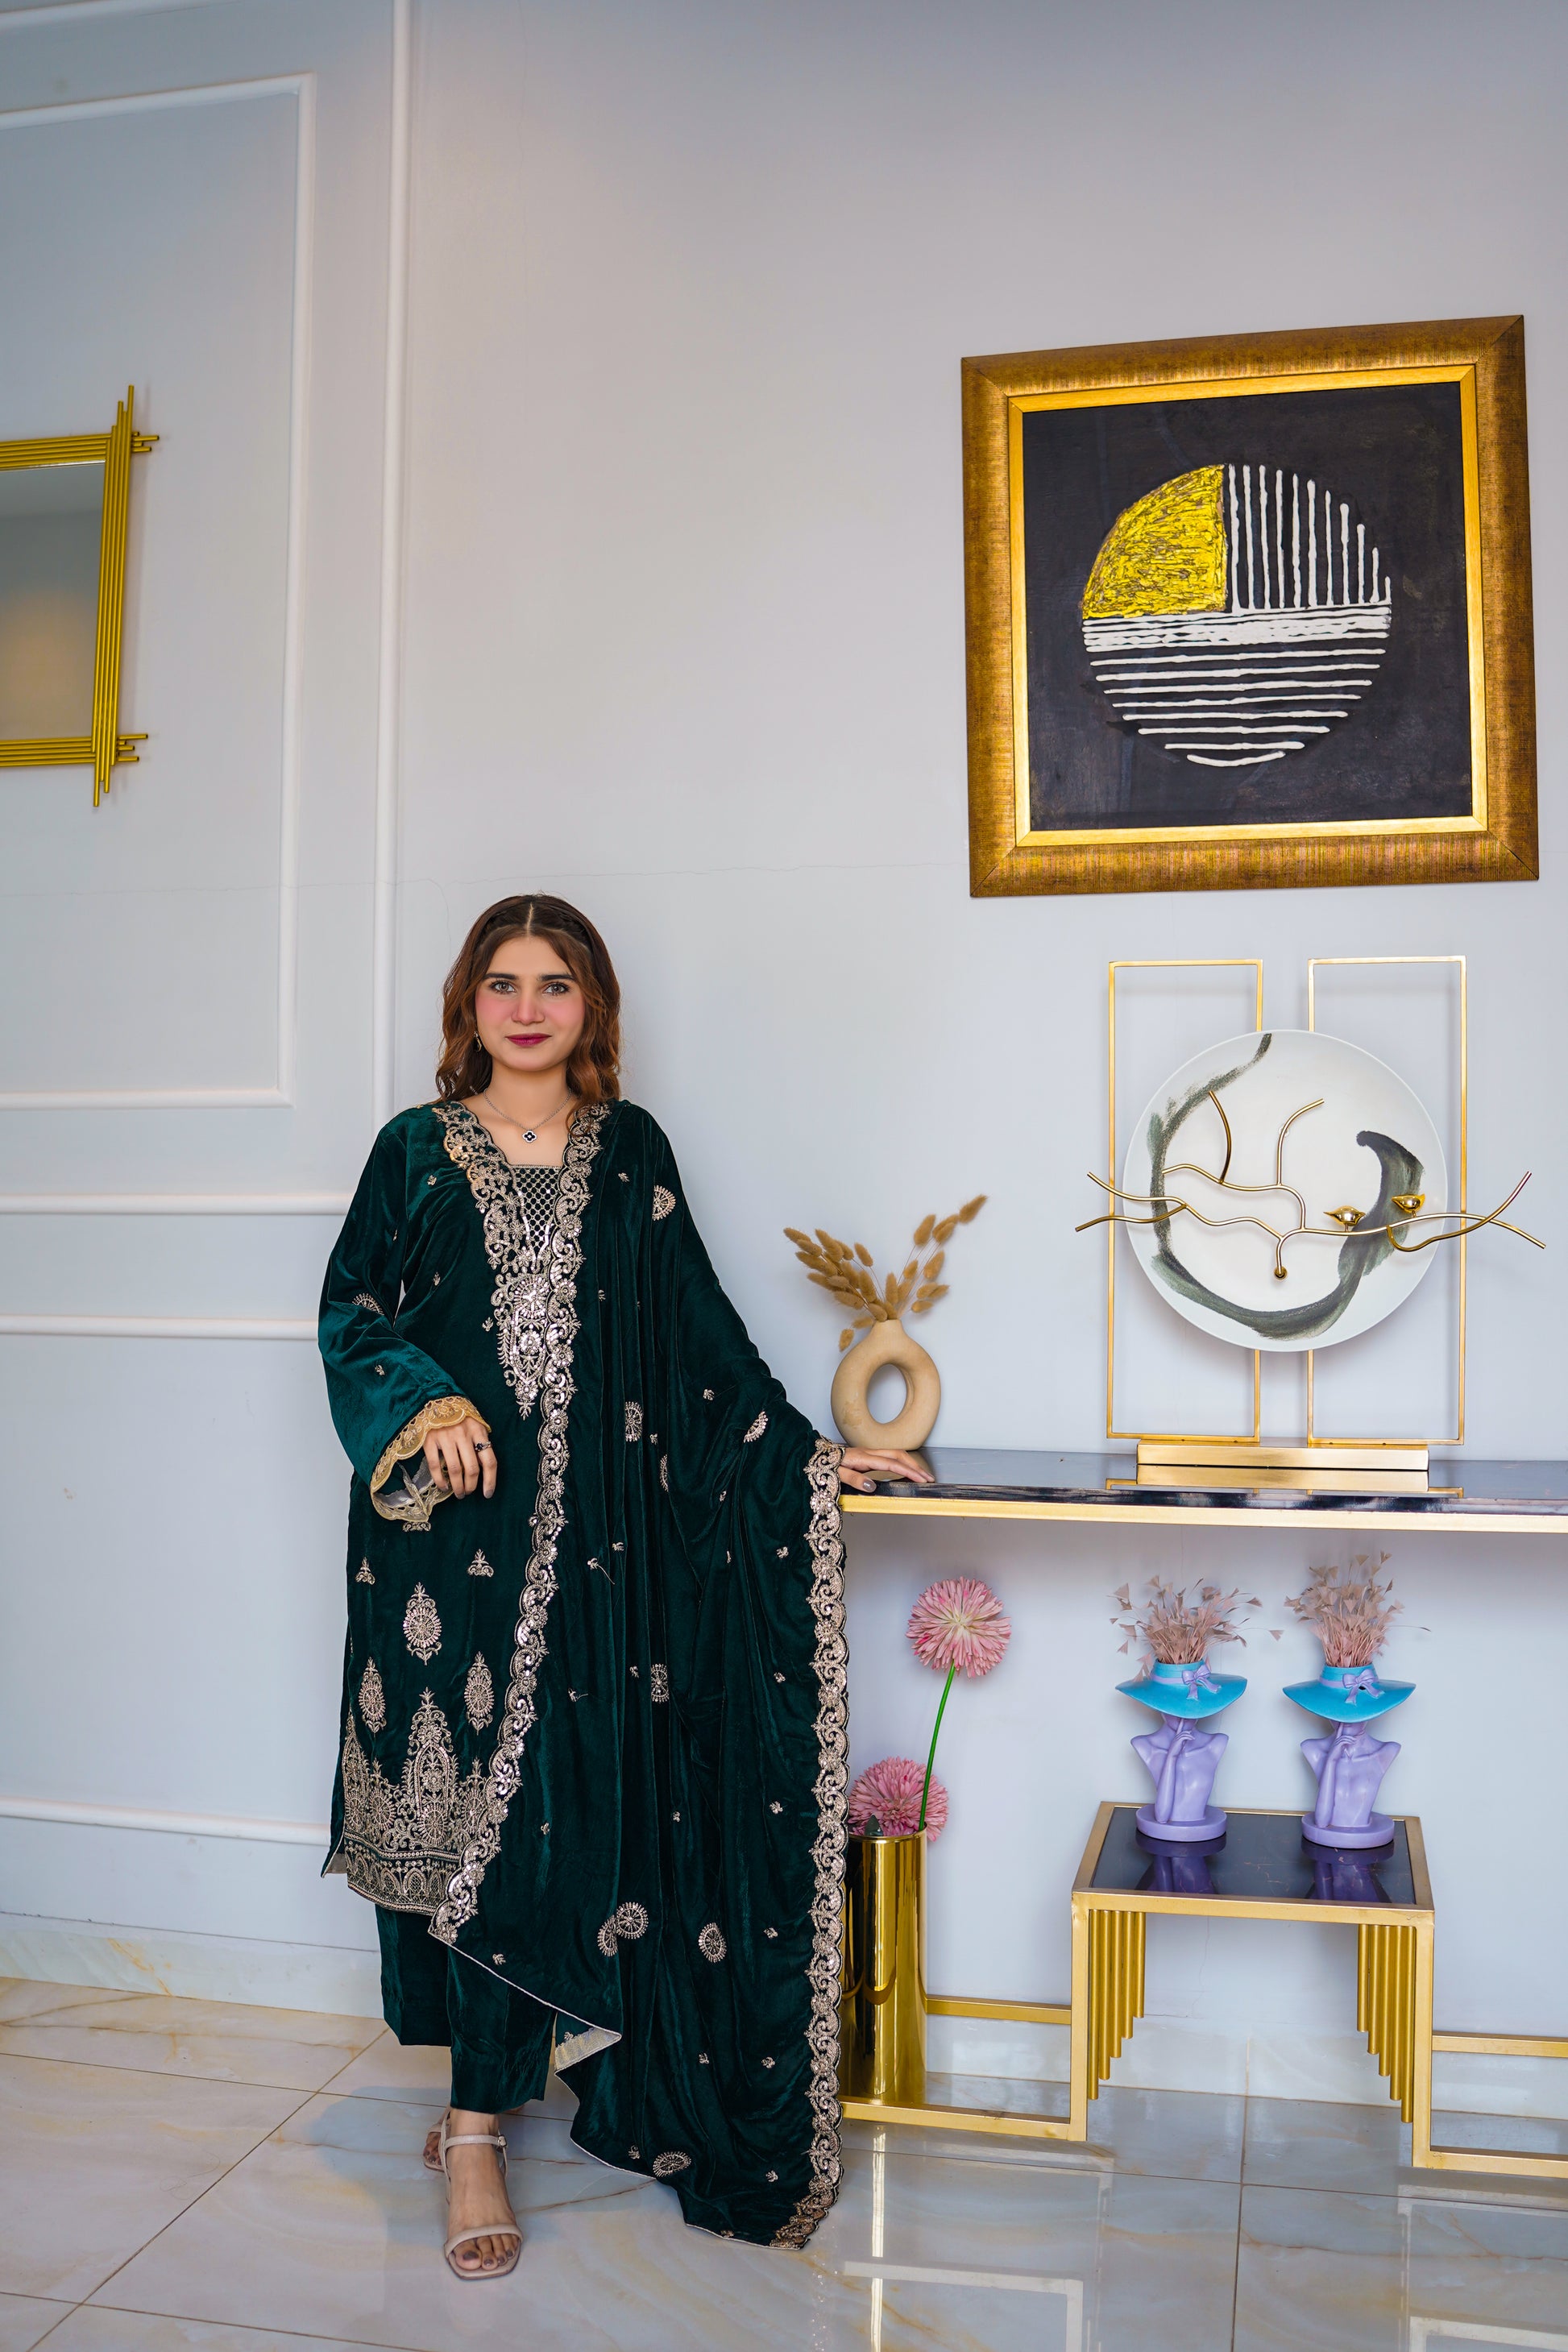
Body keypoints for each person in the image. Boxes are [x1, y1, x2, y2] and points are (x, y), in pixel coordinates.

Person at [318, 894, 929, 2276]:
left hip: (594, 1557)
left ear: (591, 1004)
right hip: (442, 1549)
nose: (527, 1008)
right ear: (467, 1005)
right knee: (464, 1825)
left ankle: (485, 2111)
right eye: (501, 983)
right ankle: (475, 2122)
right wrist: (422, 1405)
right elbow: (349, 1315)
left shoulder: (629, 1150)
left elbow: (697, 1338)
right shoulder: (411, 1150)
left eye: (555, 983)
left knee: (549, 1819)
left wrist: (805, 1455)